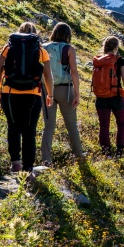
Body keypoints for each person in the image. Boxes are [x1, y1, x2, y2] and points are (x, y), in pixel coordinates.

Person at [0, 21, 53, 172]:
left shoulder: (8, 47)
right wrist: (50, 95)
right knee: (29, 130)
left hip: (10, 93)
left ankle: (15, 163)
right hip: (33, 95)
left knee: (13, 127)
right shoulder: (41, 51)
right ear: (35, 34)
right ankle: (28, 167)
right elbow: (48, 76)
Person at [40, 22, 85, 167]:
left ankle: (46, 160)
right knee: (71, 125)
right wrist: (77, 94)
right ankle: (79, 155)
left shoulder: (43, 47)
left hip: (47, 90)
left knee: (48, 127)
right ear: (68, 35)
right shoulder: (69, 49)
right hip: (66, 89)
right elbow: (74, 72)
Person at [91, 35, 124, 155]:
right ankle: (120, 150)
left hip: (100, 98)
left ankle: (106, 152)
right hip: (116, 97)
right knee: (121, 123)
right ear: (116, 47)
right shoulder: (119, 60)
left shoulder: (98, 60)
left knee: (104, 126)